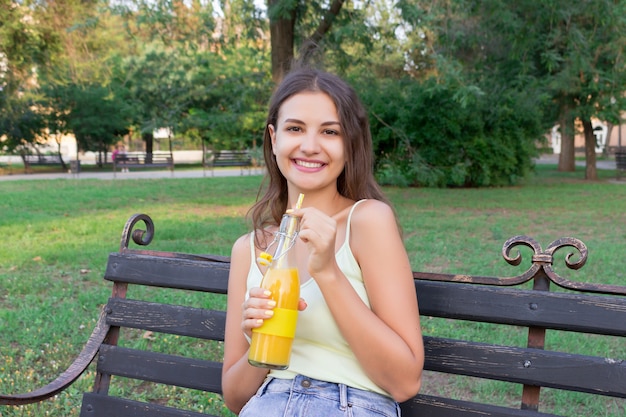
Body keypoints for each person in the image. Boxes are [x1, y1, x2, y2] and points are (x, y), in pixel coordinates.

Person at [222, 67, 424, 417]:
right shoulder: (249, 249)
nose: (310, 146)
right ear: (274, 138)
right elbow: (236, 399)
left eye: (330, 132)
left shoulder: (367, 221)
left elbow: (404, 382)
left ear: (349, 144)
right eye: (295, 128)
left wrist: (328, 272)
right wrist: (260, 343)